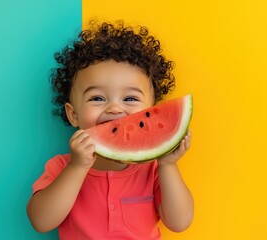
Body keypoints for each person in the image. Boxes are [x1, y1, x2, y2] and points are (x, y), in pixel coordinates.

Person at [27, 20, 194, 239]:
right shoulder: (61, 166)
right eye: (97, 98)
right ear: (73, 114)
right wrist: (77, 168)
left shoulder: (152, 170)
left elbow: (179, 222)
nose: (115, 108)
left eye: (130, 98)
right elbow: (41, 221)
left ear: (152, 113)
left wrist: (167, 165)